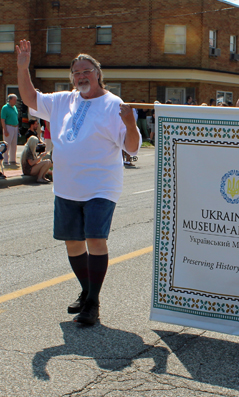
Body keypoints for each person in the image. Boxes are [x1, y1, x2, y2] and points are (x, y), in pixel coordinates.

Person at [17, 39, 141, 326]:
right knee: (73, 243)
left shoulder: (114, 106)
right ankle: (86, 291)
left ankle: (93, 303)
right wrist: (22, 67)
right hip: (67, 186)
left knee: (95, 239)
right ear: (71, 78)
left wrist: (132, 124)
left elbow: (132, 148)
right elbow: (30, 99)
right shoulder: (63, 100)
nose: (81, 76)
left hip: (101, 186)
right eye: (76, 72)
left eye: (87, 71)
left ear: (97, 73)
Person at [1, 94, 20, 166]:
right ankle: (5, 160)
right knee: (7, 144)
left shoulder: (14, 107)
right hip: (9, 127)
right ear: (10, 100)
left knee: (14, 144)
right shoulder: (5, 108)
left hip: (15, 127)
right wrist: (5, 130)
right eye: (14, 100)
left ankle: (13, 160)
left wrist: (17, 129)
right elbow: (3, 120)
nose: (15, 101)